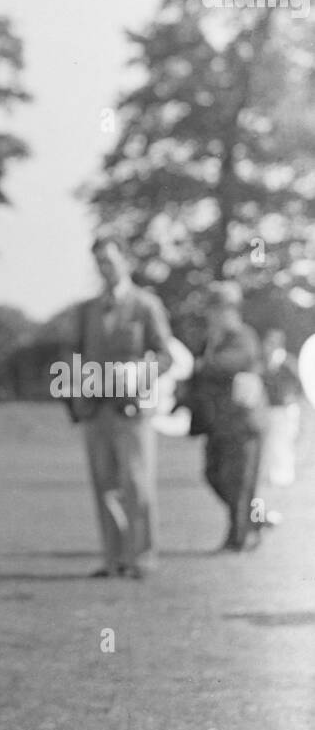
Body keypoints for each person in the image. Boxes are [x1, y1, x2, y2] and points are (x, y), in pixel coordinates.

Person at [72, 233, 173, 578]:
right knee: (104, 487)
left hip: (132, 412)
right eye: (99, 262)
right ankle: (114, 559)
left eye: (110, 261)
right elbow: (76, 356)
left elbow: (166, 355)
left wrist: (140, 372)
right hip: (97, 411)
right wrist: (78, 398)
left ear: (125, 261)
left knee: (137, 485)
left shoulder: (146, 305)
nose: (105, 268)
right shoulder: (87, 310)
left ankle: (141, 558)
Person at [192, 283, 267, 552]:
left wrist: (203, 364)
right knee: (214, 475)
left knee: (240, 481)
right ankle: (251, 520)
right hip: (220, 424)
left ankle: (238, 539)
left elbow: (234, 361)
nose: (212, 315)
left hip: (244, 423)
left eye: (216, 309)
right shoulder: (213, 340)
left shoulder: (242, 336)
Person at [261, 328, 302, 491]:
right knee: (272, 442)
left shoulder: (286, 361)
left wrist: (290, 395)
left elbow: (299, 380)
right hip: (271, 407)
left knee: (283, 441)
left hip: (285, 408)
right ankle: (273, 473)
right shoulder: (267, 361)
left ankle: (284, 474)